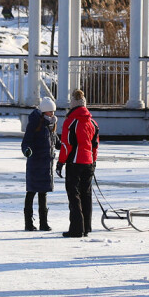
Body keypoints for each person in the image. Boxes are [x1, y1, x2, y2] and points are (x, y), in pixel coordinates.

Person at [57, 89, 99, 238]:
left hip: (74, 162)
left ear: (72, 104)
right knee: (86, 194)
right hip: (88, 161)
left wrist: (60, 162)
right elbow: (95, 145)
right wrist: (93, 161)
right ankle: (86, 227)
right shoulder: (92, 123)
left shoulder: (70, 122)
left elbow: (66, 145)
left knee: (74, 195)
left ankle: (76, 228)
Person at [21, 96, 58, 231]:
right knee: (31, 192)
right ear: (44, 112)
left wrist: (66, 144)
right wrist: (27, 150)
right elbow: (26, 142)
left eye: (53, 112)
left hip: (46, 165)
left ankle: (44, 223)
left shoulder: (51, 125)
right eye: (50, 112)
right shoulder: (35, 123)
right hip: (35, 164)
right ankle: (28, 223)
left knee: (43, 193)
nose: (52, 114)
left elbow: (56, 141)